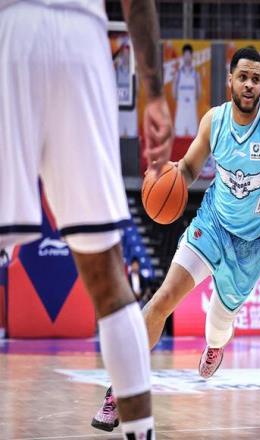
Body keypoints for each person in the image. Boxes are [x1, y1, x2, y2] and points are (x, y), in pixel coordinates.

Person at [91, 46, 260, 432]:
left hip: (251, 246)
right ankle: (120, 390)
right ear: (229, 80)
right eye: (243, 77)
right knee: (162, 300)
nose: (249, 84)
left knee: (217, 325)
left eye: (256, 79)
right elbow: (188, 169)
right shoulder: (214, 122)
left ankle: (215, 344)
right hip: (212, 224)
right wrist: (166, 178)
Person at [0, 1, 173, 439]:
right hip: (82, 42)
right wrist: (154, 93)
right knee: (106, 270)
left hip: (12, 29)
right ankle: (142, 433)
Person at [173, 43, 201, 137]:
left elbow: (198, 94)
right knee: (179, 137)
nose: (187, 57)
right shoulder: (178, 74)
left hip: (192, 111)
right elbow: (174, 94)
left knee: (193, 138)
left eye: (189, 55)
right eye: (185, 55)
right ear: (183, 56)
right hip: (181, 112)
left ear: (191, 56)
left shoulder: (196, 75)